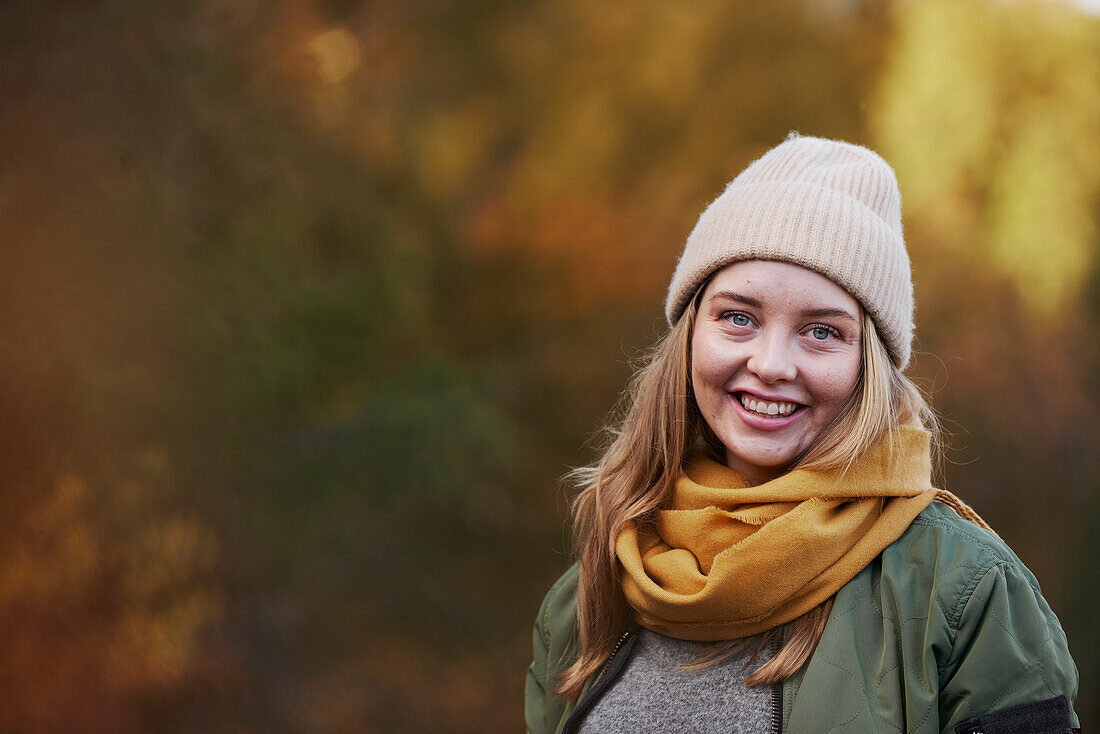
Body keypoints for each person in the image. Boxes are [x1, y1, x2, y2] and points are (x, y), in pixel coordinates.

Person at [524, 134, 1080, 734]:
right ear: (689, 336)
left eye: (821, 332)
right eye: (738, 318)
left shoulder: (965, 593)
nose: (771, 364)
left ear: (868, 367)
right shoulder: (595, 590)